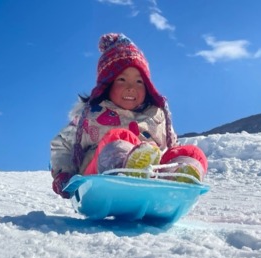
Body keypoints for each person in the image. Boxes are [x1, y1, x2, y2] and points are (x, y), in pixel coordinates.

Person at [51, 33, 208, 198]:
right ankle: (126, 171)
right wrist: (64, 173)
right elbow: (62, 144)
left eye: (139, 81)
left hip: (153, 181)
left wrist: (176, 159)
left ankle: (179, 181)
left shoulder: (155, 115)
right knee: (120, 137)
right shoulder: (91, 116)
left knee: (191, 152)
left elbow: (171, 146)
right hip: (98, 183)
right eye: (122, 80)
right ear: (107, 84)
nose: (131, 87)